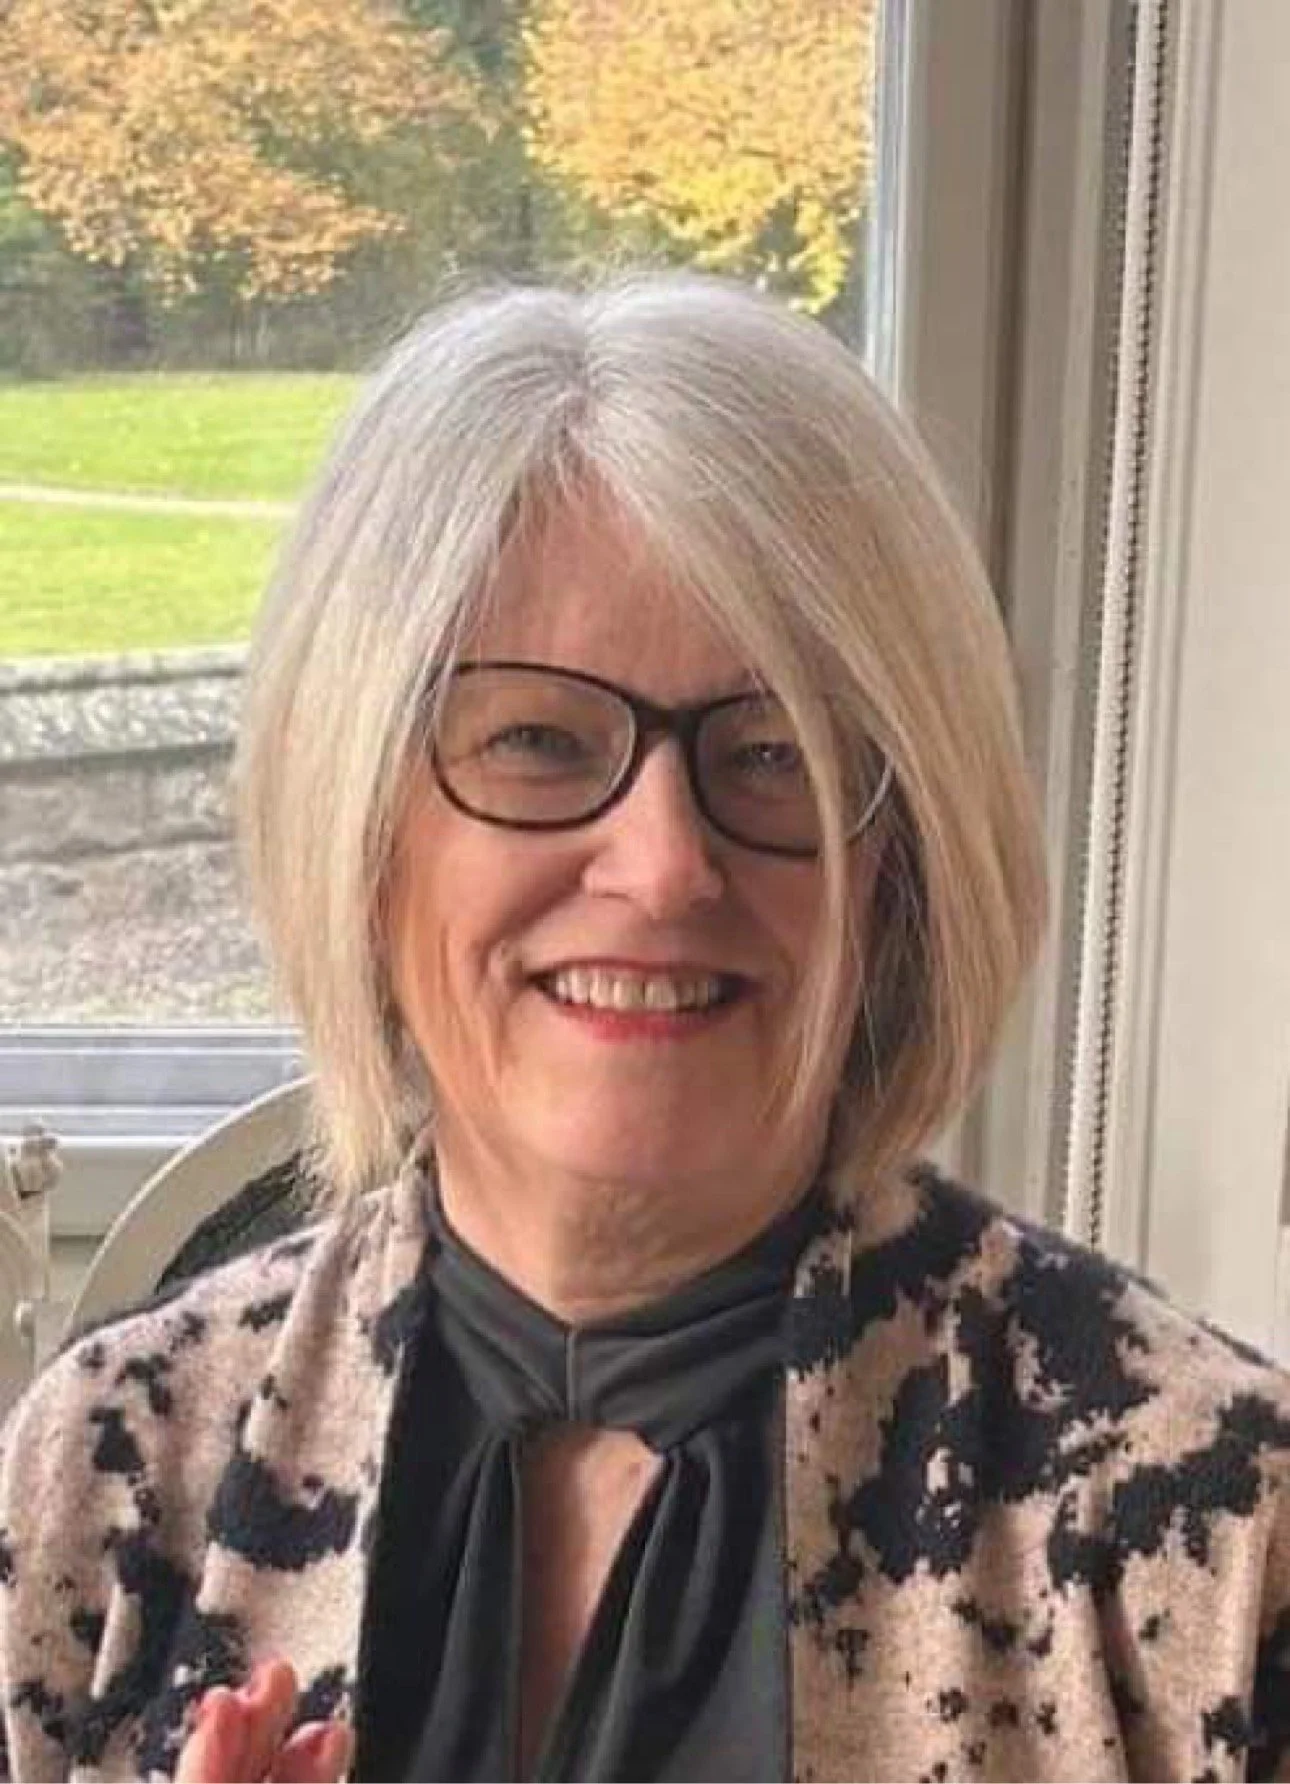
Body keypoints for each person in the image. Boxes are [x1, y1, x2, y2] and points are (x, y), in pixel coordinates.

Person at [1, 273, 1288, 1784]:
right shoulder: (108, 1470)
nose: (667, 864)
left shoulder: (1205, 1528)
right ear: (359, 814)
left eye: (772, 752)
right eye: (537, 741)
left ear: (900, 860)